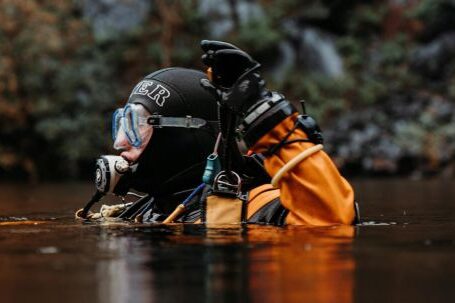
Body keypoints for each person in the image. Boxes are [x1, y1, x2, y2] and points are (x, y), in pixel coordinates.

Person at [79, 40, 358, 226]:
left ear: (183, 136)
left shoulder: (258, 207)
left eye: (136, 125)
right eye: (121, 123)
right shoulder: (144, 210)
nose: (120, 141)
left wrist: (267, 117)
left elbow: (332, 220)